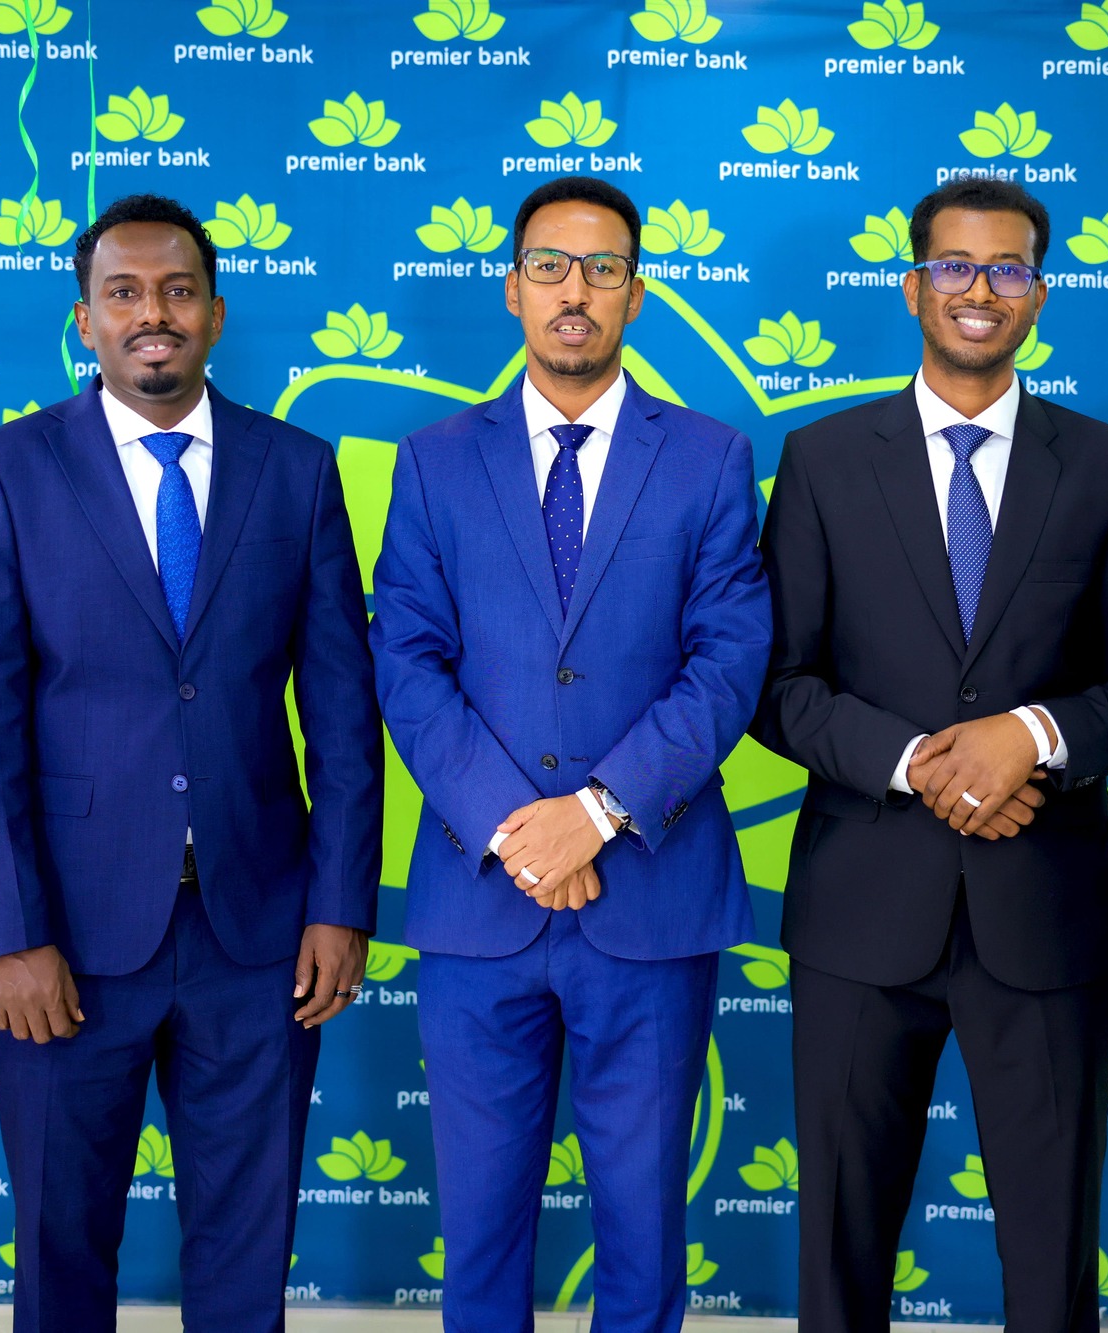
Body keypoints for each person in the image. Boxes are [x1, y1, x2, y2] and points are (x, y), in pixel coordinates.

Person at [0, 193, 383, 1332]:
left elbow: (340, 709)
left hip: (260, 932)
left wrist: (339, 906)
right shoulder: (6, 468)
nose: (153, 313)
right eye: (123, 293)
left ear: (216, 314)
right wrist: (6, 933)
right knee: (59, 1239)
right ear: (83, 320)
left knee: (246, 1246)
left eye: (177, 291)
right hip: (66, 938)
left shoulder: (298, 469)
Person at [370, 175, 770, 1333]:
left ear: (635, 294)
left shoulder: (705, 457)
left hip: (647, 902)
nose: (574, 291)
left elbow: (726, 663)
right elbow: (406, 660)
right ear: (511, 289)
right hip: (476, 903)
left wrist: (592, 813)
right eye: (549, 265)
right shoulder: (436, 460)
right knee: (480, 1226)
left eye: (602, 268)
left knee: (641, 1226)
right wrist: (518, 822)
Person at [755, 178, 1108, 1333]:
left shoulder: (1103, 466)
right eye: (953, 266)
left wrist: (1026, 741)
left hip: (1045, 908)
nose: (979, 290)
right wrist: (922, 761)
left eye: (1008, 268)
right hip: (858, 907)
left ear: (1038, 290)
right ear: (911, 283)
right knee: (838, 1245)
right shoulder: (823, 460)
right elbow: (776, 686)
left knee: (1049, 1251)